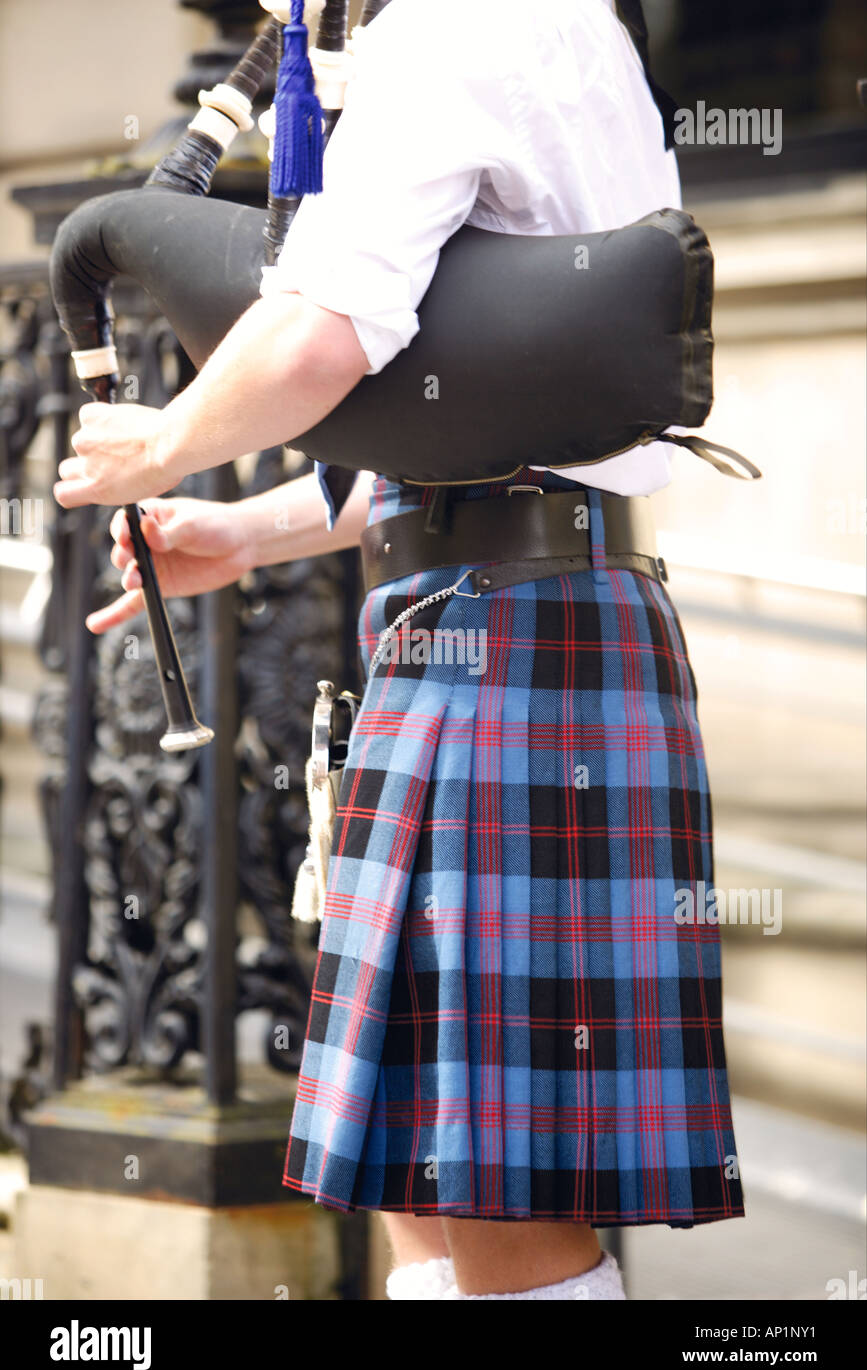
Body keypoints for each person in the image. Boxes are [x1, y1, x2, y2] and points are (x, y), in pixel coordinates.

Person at [55, 0, 745, 1300]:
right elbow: (473, 418)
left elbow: (326, 331)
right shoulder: (563, 25)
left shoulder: (453, 22)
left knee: (495, 1206)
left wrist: (161, 442)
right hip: (509, 612)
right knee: (422, 1191)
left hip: (513, 640)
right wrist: (252, 532)